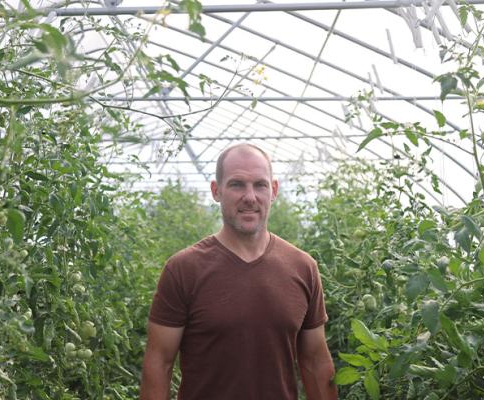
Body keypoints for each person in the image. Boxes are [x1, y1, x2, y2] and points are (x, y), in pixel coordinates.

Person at [139, 143, 337, 400]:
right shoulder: (183, 269)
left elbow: (315, 362)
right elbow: (159, 363)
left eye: (260, 185)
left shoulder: (302, 267)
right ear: (216, 191)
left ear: (273, 190)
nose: (250, 197)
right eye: (237, 184)